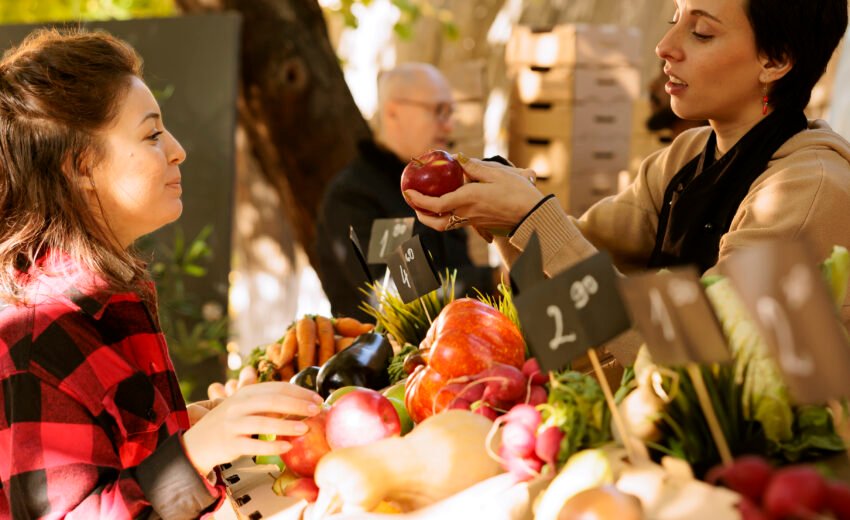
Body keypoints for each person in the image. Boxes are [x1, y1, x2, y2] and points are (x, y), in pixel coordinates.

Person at [403, 0, 850, 362]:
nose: (664, 46)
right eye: (674, 19)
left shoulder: (807, 190)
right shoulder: (684, 157)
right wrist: (502, 219)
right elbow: (571, 283)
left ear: (776, 60)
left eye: (702, 32)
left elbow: (700, 356)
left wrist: (532, 218)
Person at [0, 29, 323, 519]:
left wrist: (198, 426)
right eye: (152, 134)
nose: (177, 151)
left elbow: (114, 463)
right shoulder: (33, 336)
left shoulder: (107, 295)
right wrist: (193, 453)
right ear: (80, 167)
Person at [315, 62, 497, 321]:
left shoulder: (438, 186)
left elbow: (454, 272)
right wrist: (493, 280)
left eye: (451, 112)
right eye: (438, 111)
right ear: (392, 113)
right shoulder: (354, 196)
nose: (449, 126)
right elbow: (398, 296)